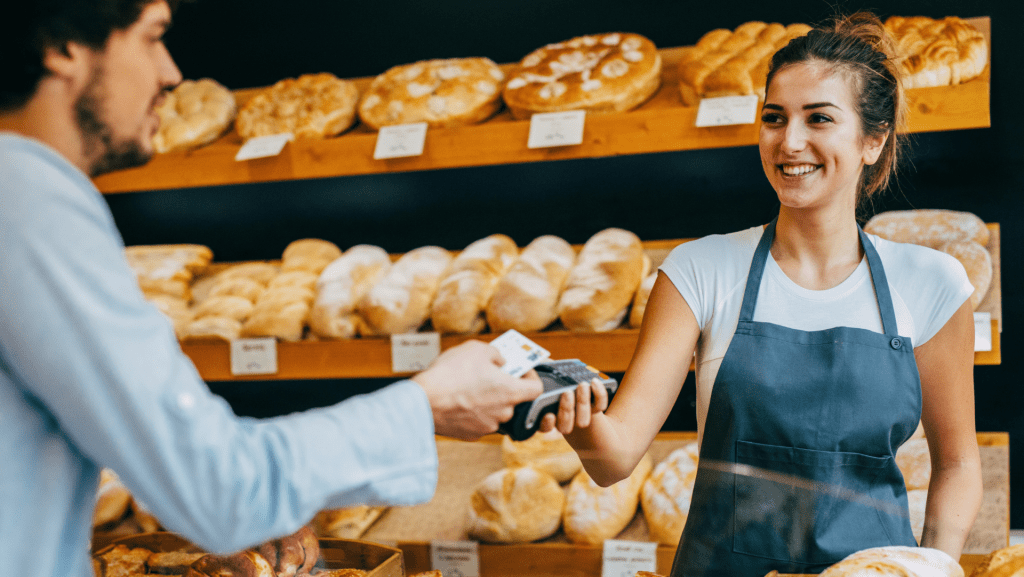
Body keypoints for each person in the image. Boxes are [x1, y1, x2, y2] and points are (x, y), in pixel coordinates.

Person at [0, 1, 542, 575]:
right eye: (151, 36)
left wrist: (247, 492)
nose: (171, 72)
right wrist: (428, 404)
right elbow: (221, 486)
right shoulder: (28, 201)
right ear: (62, 49)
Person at [543, 12, 983, 576]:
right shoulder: (699, 270)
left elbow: (958, 464)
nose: (789, 141)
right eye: (773, 118)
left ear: (874, 139)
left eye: (818, 118)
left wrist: (935, 567)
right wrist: (579, 421)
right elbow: (615, 458)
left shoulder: (932, 283)